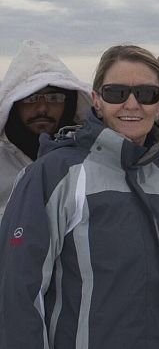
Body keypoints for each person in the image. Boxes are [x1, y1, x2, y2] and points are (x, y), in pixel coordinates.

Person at [0, 45, 159, 349]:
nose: (132, 105)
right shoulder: (54, 176)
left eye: (146, 94)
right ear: (97, 100)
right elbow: (16, 300)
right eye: (116, 93)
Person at [0, 40, 91, 217]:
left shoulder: (87, 158)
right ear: (14, 105)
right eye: (31, 98)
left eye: (54, 98)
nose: (42, 108)